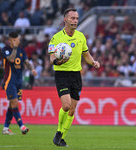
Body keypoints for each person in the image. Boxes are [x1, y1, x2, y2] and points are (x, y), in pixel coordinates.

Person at [48, 8, 100, 147]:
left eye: (76, 18)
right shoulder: (56, 38)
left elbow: (86, 55)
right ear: (65, 19)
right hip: (62, 74)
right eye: (72, 18)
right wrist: (57, 62)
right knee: (66, 106)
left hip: (76, 75)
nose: (75, 21)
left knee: (72, 110)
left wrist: (93, 62)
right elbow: (51, 58)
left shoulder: (81, 36)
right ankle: (59, 132)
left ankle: (61, 138)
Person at [1, 31, 37, 135]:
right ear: (11, 40)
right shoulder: (6, 50)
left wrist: (32, 69)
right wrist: (15, 48)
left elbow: (26, 62)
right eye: (16, 39)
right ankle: (22, 126)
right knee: (14, 104)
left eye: (18, 39)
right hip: (9, 81)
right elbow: (11, 59)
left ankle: (5, 128)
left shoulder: (22, 50)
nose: (18, 41)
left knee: (12, 105)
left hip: (19, 82)